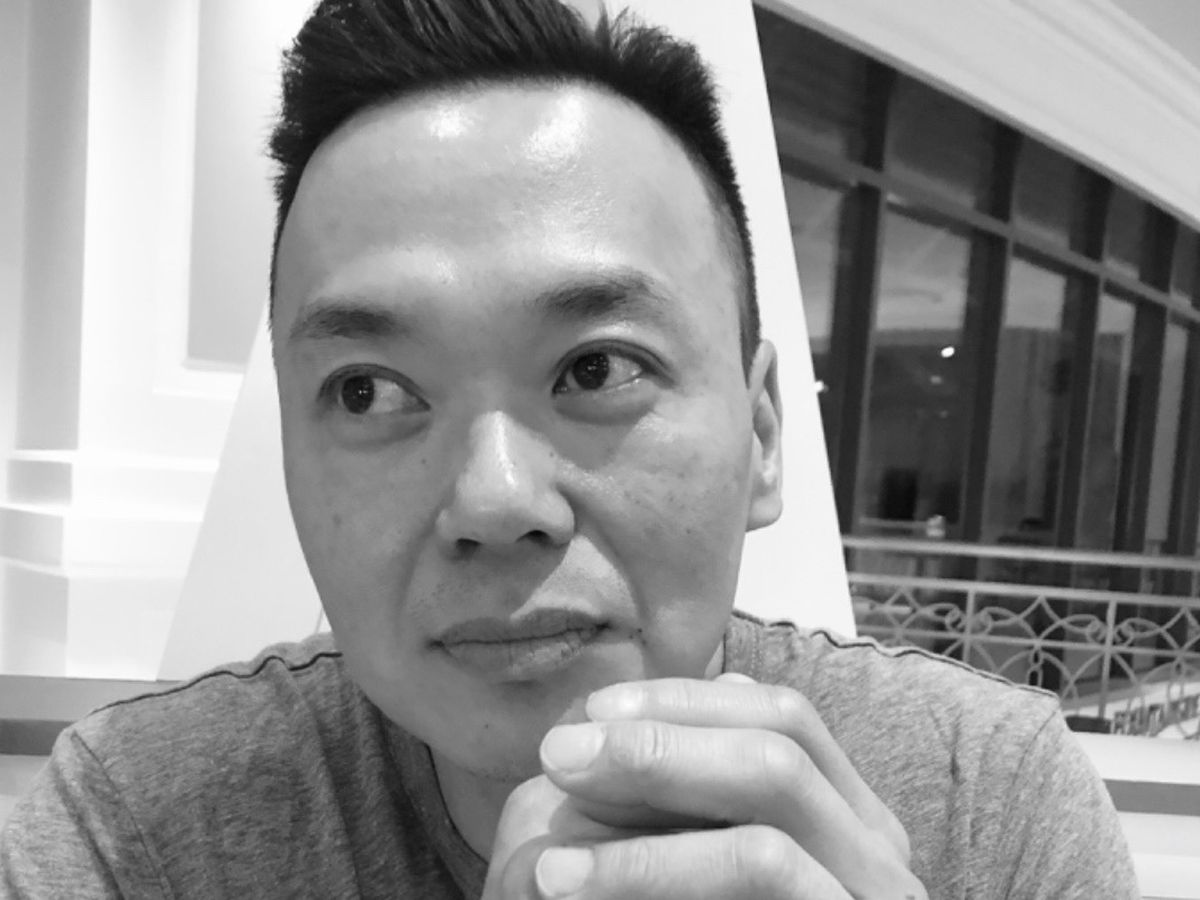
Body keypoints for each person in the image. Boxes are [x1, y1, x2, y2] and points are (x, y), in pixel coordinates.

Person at [1, 1, 1138, 897]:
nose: (495, 500)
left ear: (760, 433)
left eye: (596, 369)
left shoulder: (988, 802)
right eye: (370, 390)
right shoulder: (138, 832)